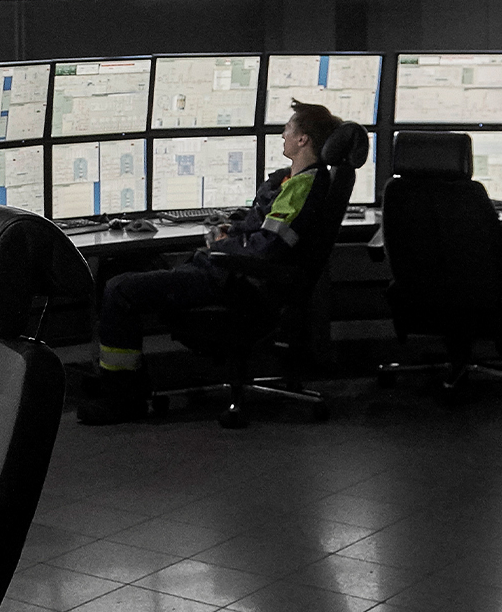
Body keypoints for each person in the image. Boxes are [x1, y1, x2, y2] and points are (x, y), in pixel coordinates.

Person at [76, 100, 340, 426]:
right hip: (231, 275)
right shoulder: (293, 180)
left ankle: (122, 402)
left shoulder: (305, 185)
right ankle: (130, 387)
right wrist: (232, 229)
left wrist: (222, 244)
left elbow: (270, 247)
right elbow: (265, 229)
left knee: (119, 290)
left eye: (289, 127)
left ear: (303, 139)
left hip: (236, 285)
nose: (283, 133)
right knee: (122, 269)